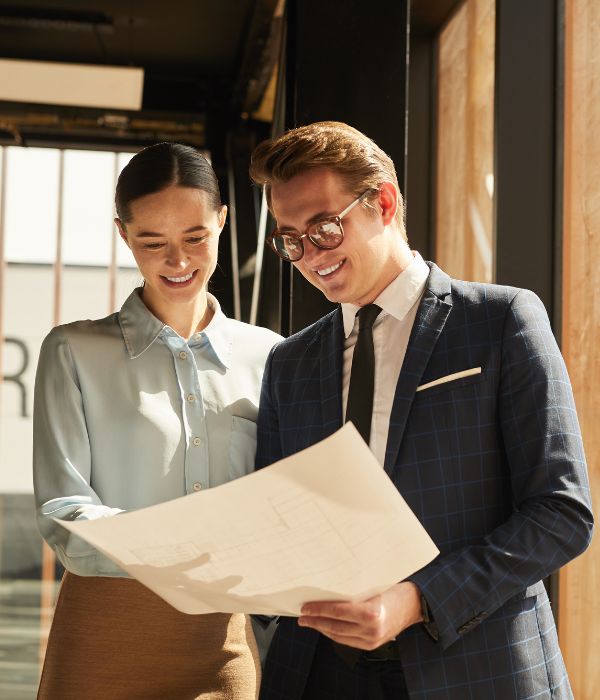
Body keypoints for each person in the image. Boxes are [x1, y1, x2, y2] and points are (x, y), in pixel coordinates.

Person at [248, 121, 593, 700]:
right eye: (291, 241)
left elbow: (561, 514)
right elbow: (281, 519)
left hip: (475, 666)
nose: (310, 257)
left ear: (382, 202)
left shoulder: (500, 321)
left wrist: (417, 600)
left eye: (324, 229)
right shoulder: (290, 363)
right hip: (318, 674)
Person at [33, 142, 281, 700]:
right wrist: (194, 545)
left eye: (196, 237)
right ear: (123, 234)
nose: (179, 261)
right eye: (152, 242)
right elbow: (64, 513)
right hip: (105, 631)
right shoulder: (72, 351)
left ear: (222, 220)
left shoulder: (272, 356)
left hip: (224, 641)